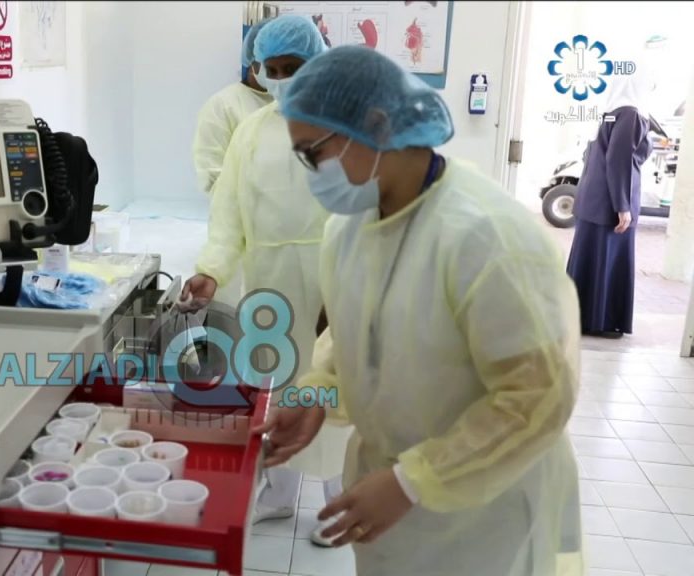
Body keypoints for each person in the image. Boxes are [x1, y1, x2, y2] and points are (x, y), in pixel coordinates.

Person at [255, 45, 584, 575]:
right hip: (389, 497)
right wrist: (315, 393)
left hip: (485, 508)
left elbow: (537, 396)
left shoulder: (485, 236)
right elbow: (353, 343)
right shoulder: (350, 229)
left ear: (376, 125)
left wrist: (413, 481)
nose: (311, 173)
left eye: (313, 154)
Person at [182, 15, 348, 544]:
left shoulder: (346, 126)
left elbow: (365, 213)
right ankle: (278, 494)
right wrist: (212, 270)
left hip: (332, 283)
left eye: (290, 67)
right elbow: (228, 212)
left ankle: (337, 504)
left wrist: (344, 294)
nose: (279, 78)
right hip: (270, 282)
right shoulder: (253, 132)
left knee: (334, 392)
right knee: (275, 390)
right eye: (270, 69)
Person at [567, 62, 655, 338]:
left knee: (589, 260)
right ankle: (600, 322)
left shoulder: (611, 111)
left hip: (594, 200)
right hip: (609, 205)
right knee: (605, 260)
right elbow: (619, 161)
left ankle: (583, 319)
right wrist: (623, 206)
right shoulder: (630, 114)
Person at [192, 18, 275, 196]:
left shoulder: (296, 105)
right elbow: (213, 179)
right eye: (271, 65)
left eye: (291, 66)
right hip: (240, 211)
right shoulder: (222, 106)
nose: (280, 73)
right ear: (253, 62)